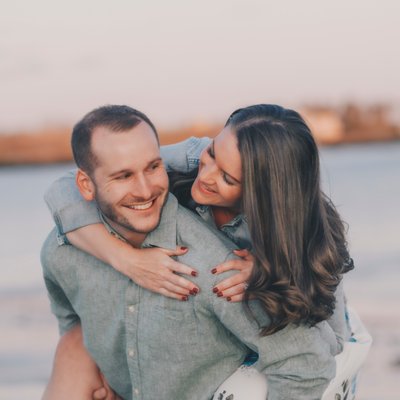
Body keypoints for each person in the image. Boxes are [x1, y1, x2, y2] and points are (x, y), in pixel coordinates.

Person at [41, 104, 341, 400]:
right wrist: (126, 260)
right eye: (211, 155)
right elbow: (65, 186)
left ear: (259, 193)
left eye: (228, 178)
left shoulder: (226, 267)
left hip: (308, 301)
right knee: (74, 346)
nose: (206, 175)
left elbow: (308, 362)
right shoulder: (63, 251)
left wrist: (269, 271)